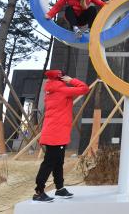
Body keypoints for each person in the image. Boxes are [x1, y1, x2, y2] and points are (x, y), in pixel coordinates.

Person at [33, 70, 89, 202]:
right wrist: (71, 80)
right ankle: (39, 192)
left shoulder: (50, 90)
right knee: (49, 163)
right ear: (61, 78)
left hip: (54, 133)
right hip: (56, 134)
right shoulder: (62, 90)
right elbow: (84, 88)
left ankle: (59, 188)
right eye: (64, 76)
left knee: (58, 162)